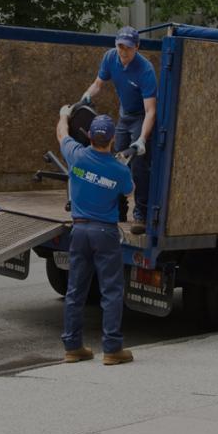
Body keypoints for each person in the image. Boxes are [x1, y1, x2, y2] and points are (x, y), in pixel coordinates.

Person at [56, 105, 135, 366]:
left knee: (75, 291)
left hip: (79, 231)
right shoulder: (120, 170)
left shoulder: (75, 156)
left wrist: (64, 115)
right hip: (105, 232)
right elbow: (128, 191)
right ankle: (112, 349)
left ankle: (73, 347)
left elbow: (61, 134)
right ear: (112, 139)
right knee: (111, 290)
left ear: (89, 135)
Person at [80, 26, 157, 234]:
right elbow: (98, 83)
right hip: (125, 116)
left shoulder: (145, 70)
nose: (124, 51)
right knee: (116, 161)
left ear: (137, 47)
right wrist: (87, 95)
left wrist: (142, 139)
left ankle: (141, 212)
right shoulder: (110, 58)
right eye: (121, 46)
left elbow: (151, 111)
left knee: (139, 164)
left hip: (141, 117)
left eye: (128, 48)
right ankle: (119, 210)